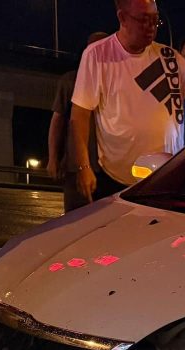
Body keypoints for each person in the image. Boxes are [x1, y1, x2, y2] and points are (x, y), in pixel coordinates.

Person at [70, 0, 185, 204]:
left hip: (165, 179)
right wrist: (83, 166)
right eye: (144, 20)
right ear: (122, 18)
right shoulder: (97, 56)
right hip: (117, 180)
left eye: (155, 21)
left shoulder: (169, 58)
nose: (151, 28)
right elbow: (80, 114)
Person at [47, 31, 108, 213]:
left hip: (107, 167)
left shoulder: (116, 80)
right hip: (76, 167)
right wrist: (53, 159)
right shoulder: (71, 81)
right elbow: (57, 122)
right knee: (76, 221)